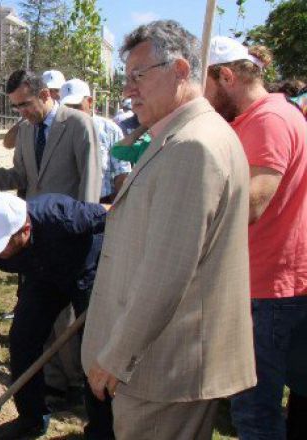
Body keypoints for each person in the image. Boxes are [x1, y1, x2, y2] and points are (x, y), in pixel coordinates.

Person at [81, 20, 256, 439]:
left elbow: (167, 272)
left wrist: (116, 356)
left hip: (163, 367)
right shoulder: (179, 137)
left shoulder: (192, 146)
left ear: (180, 70)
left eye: (138, 76)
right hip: (164, 362)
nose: (128, 90)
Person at [0, 192, 111, 438]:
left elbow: (113, 211)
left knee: (94, 352)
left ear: (25, 229)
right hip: (43, 278)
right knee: (22, 337)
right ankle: (32, 418)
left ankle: (102, 430)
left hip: (86, 271)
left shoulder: (61, 215)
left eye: (4, 245)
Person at [204, 36, 307, 439]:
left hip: (269, 287)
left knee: (252, 410)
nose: (205, 100)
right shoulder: (268, 116)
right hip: (275, 281)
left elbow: (252, 203)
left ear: (226, 76)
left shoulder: (268, 121)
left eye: (208, 89)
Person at [0, 70, 101, 203]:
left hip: (68, 220)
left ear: (44, 95)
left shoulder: (78, 124)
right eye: (16, 107)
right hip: (33, 219)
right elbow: (19, 177)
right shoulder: (24, 129)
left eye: (25, 104)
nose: (22, 113)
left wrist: (85, 220)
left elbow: (90, 181)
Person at [60, 78, 132, 203]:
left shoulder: (110, 130)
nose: (72, 113)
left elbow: (122, 173)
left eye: (77, 107)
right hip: (68, 204)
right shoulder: (57, 130)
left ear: (90, 102)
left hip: (101, 204)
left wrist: (115, 209)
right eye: (67, 108)